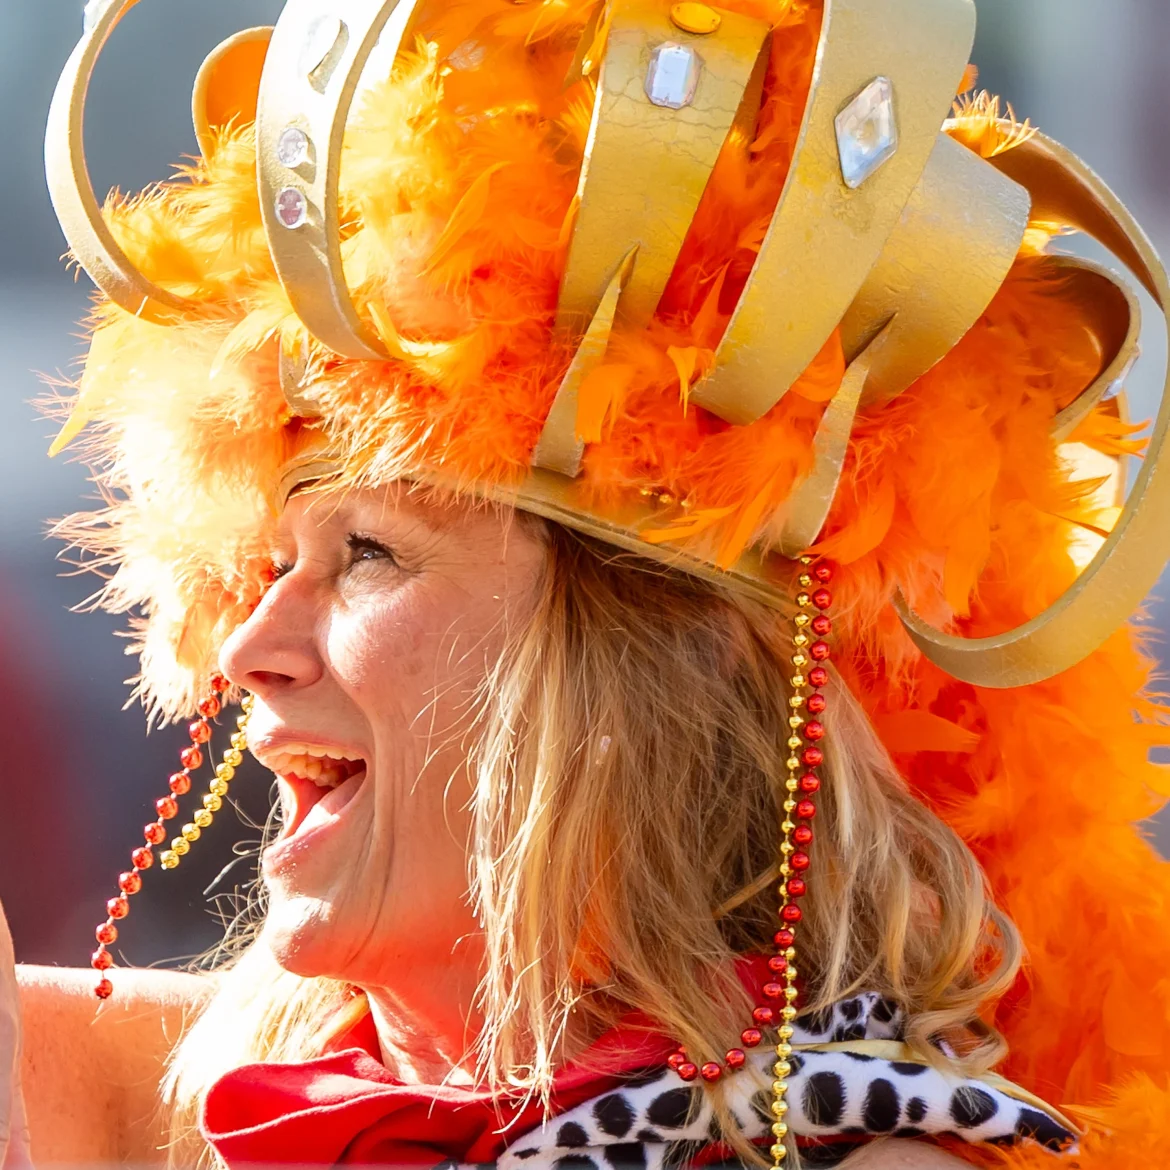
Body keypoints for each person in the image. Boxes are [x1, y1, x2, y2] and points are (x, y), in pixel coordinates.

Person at [5, 0, 1168, 1165]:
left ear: (666, 662)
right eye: (275, 561)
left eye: (368, 553)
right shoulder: (179, 1099)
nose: (249, 644)